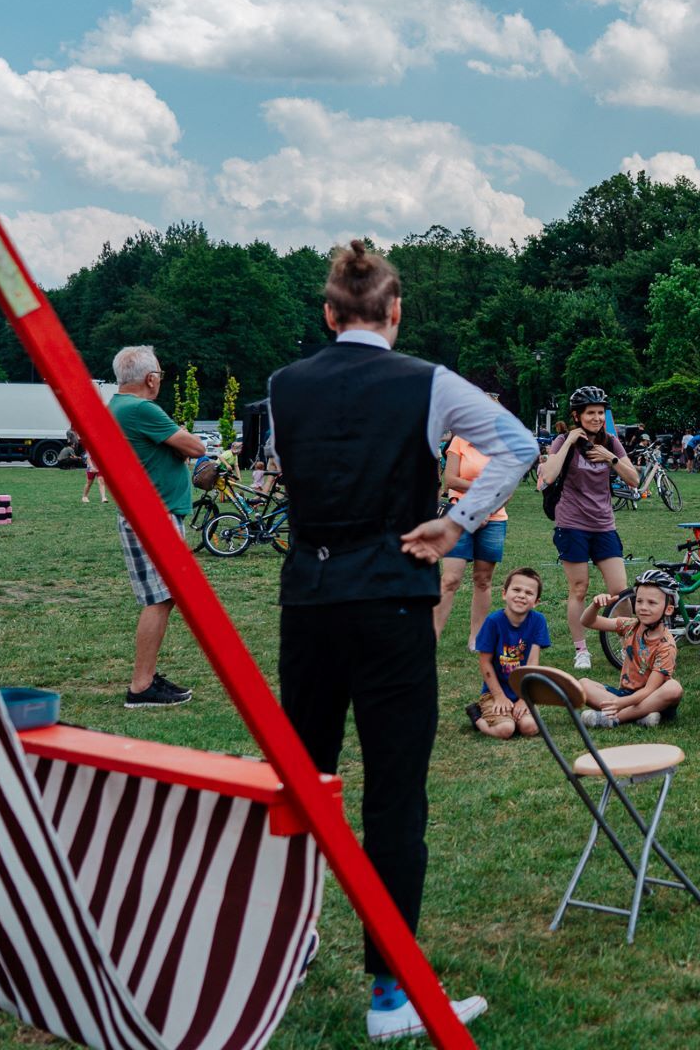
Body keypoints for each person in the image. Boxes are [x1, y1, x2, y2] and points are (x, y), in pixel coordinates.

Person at [266, 243, 530, 1038]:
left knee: (304, 783)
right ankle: (389, 993)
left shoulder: (284, 386)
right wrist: (460, 520)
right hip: (388, 596)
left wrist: (453, 515)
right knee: (392, 793)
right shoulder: (429, 381)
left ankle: (285, 947)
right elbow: (517, 445)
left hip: (310, 599)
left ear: (328, 313)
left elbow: (283, 465)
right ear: (395, 311)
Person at [105, 347, 204, 708]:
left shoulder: (116, 407)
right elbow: (194, 446)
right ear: (150, 378)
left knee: (163, 595)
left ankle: (145, 678)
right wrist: (183, 446)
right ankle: (142, 685)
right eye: (160, 374)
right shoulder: (141, 409)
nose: (160, 379)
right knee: (159, 598)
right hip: (153, 515)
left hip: (143, 512)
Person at [541, 385, 640, 671]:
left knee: (621, 591)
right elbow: (548, 474)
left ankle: (627, 647)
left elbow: (634, 480)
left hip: (604, 524)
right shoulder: (563, 440)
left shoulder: (611, 442)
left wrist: (610, 458)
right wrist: (570, 440)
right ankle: (581, 649)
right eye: (591, 413)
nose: (597, 418)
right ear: (577, 416)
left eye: (600, 413)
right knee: (579, 588)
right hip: (571, 524)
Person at [577, 572, 685, 728]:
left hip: (653, 697)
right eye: (639, 601)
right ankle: (641, 716)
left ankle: (614, 718)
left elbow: (649, 690)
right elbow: (587, 621)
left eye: (652, 603)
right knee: (582, 685)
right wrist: (595, 606)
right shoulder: (629, 625)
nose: (643, 607)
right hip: (626, 694)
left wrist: (620, 704)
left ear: (668, 609)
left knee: (674, 688)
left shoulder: (666, 645)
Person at [432, 431, 509, 645]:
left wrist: (486, 509)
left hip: (493, 518)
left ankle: (477, 638)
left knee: (483, 580)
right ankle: (431, 636)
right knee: (450, 579)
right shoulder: (460, 442)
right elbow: (450, 480)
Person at [464, 567, 548, 740]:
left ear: (536, 601)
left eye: (529, 592)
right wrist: (499, 697)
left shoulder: (538, 621)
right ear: (504, 594)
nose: (522, 595)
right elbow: (485, 662)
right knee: (506, 729)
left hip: (522, 690)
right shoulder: (493, 622)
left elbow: (533, 664)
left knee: (530, 727)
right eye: (516, 589)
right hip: (494, 692)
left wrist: (524, 698)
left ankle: (515, 712)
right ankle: (477, 717)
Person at [74, 430, 107, 503]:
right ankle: (84, 496)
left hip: (99, 466)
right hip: (91, 466)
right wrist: (92, 467)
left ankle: (103, 498)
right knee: (89, 483)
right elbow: (88, 458)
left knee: (101, 481)